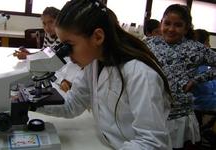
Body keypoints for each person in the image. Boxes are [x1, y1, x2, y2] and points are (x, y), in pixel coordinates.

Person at [37, 0, 173, 149]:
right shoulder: (95, 63)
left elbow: (152, 142)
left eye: (69, 45)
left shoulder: (140, 75)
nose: (66, 54)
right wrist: (32, 103)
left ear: (97, 37)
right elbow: (72, 105)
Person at [146, 4, 216, 149]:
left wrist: (197, 80)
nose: (171, 29)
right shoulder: (148, 44)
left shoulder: (196, 48)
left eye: (178, 25)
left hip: (180, 116)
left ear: (187, 27)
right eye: (167, 23)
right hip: (151, 112)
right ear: (161, 23)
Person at [13, 7, 81, 93]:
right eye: (44, 24)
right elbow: (46, 52)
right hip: (55, 73)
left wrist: (27, 56)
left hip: (63, 75)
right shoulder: (48, 34)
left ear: (60, 21)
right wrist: (31, 54)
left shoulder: (65, 37)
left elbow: (54, 58)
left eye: (51, 22)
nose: (47, 27)